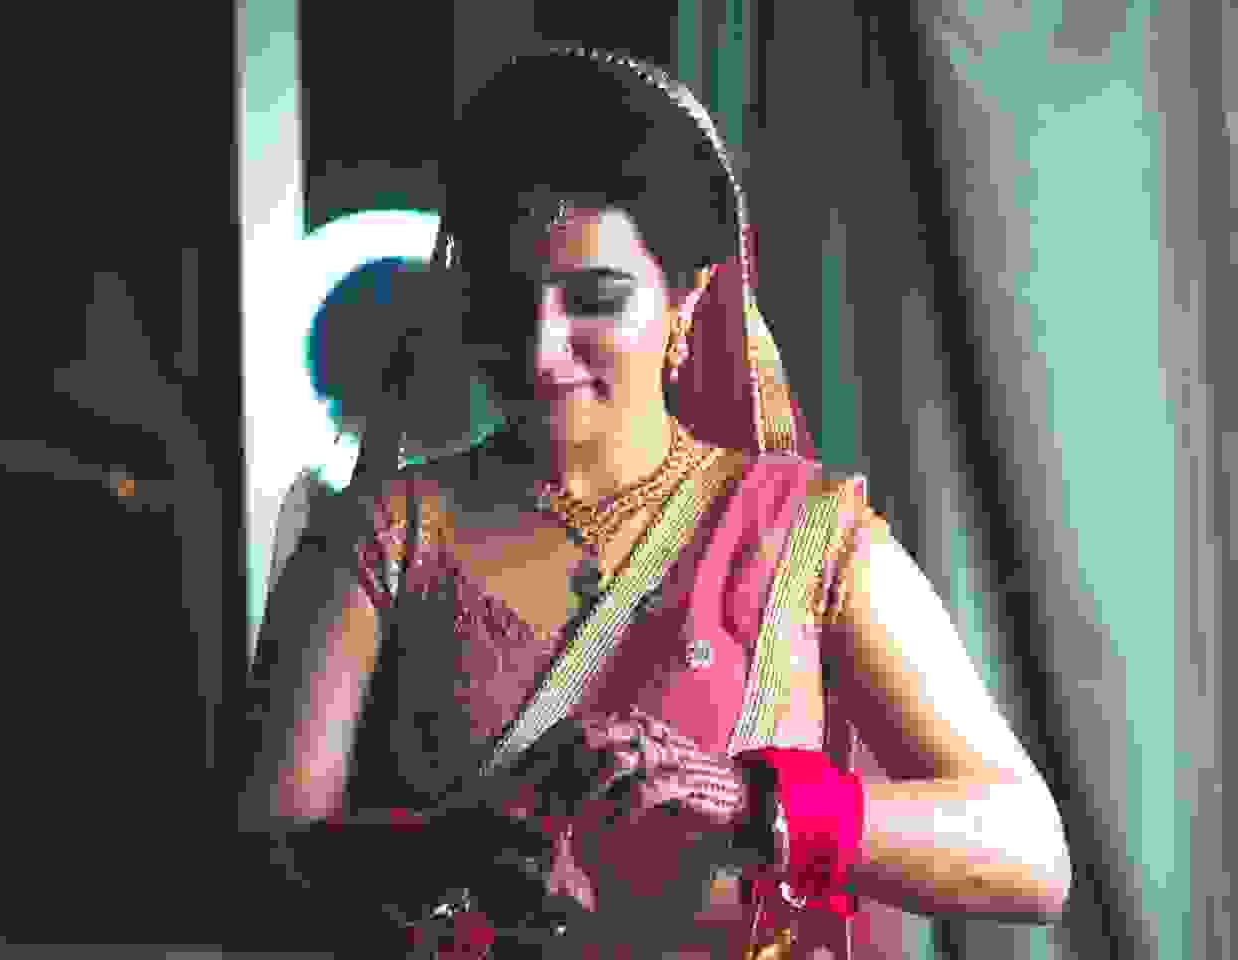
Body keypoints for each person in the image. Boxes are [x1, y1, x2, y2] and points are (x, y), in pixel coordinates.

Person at [250, 47, 1071, 959]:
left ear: (689, 298)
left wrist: (756, 802)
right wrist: (451, 850)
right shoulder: (388, 535)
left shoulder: (806, 536)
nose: (541, 350)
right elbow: (263, 864)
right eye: (505, 297)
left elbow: (1030, 854)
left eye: (594, 300)